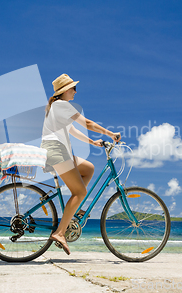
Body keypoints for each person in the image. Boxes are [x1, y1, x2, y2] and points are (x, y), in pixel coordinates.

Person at [41, 74, 121, 255]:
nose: (76, 92)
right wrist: (110, 133)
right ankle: (60, 233)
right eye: (73, 88)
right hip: (56, 151)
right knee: (81, 192)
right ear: (65, 91)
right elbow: (87, 123)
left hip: (60, 152)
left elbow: (73, 130)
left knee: (89, 168)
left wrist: (92, 142)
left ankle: (73, 207)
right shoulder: (61, 105)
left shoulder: (57, 108)